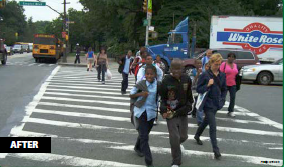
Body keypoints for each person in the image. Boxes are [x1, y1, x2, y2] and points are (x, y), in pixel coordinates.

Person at [159, 58, 194, 167]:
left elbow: (189, 95)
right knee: (174, 137)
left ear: (182, 69)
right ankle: (176, 161)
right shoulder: (166, 80)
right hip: (171, 112)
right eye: (174, 68)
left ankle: (176, 145)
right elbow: (163, 98)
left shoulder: (187, 79)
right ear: (170, 68)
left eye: (178, 68)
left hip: (182, 111)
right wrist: (163, 110)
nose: (176, 71)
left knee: (183, 137)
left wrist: (189, 105)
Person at [194, 53, 227, 160]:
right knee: (213, 126)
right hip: (207, 104)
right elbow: (198, 89)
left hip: (217, 104)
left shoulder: (222, 75)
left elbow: (224, 89)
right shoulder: (205, 75)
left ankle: (197, 135)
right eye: (216, 64)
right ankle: (216, 150)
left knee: (206, 121)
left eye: (219, 64)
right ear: (211, 63)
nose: (217, 66)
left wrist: (222, 101)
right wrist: (207, 85)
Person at [130, 65, 159, 167]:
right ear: (145, 75)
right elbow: (131, 95)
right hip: (140, 112)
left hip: (151, 113)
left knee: (144, 134)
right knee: (144, 137)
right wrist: (141, 94)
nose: (149, 76)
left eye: (151, 74)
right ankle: (148, 160)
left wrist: (157, 114)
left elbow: (158, 99)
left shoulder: (158, 85)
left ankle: (137, 147)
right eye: (147, 74)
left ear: (155, 75)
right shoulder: (141, 83)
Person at [220, 52, 238, 117]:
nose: (231, 58)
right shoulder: (223, 64)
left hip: (233, 83)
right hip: (224, 83)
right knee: (222, 97)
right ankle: (216, 107)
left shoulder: (235, 65)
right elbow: (220, 74)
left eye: (233, 57)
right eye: (230, 57)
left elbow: (236, 74)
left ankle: (231, 111)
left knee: (233, 98)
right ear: (228, 57)